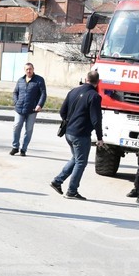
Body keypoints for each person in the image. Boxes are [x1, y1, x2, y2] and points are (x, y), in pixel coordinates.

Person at [49, 70, 105, 200]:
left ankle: (57, 181)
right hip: (81, 134)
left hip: (69, 132)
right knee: (81, 162)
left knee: (76, 158)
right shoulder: (94, 96)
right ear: (98, 82)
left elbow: (62, 112)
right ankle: (72, 191)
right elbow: (96, 119)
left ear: (86, 79)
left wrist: (70, 121)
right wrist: (100, 138)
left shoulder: (73, 91)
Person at [10, 63, 46, 156]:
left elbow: (43, 94)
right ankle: (15, 147)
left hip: (32, 109)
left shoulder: (39, 80)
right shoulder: (20, 80)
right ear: (24, 70)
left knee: (29, 130)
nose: (28, 71)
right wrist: (16, 101)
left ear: (33, 69)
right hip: (19, 108)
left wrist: (39, 105)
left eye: (30, 69)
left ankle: (24, 149)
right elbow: (15, 92)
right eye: (27, 69)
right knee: (16, 126)